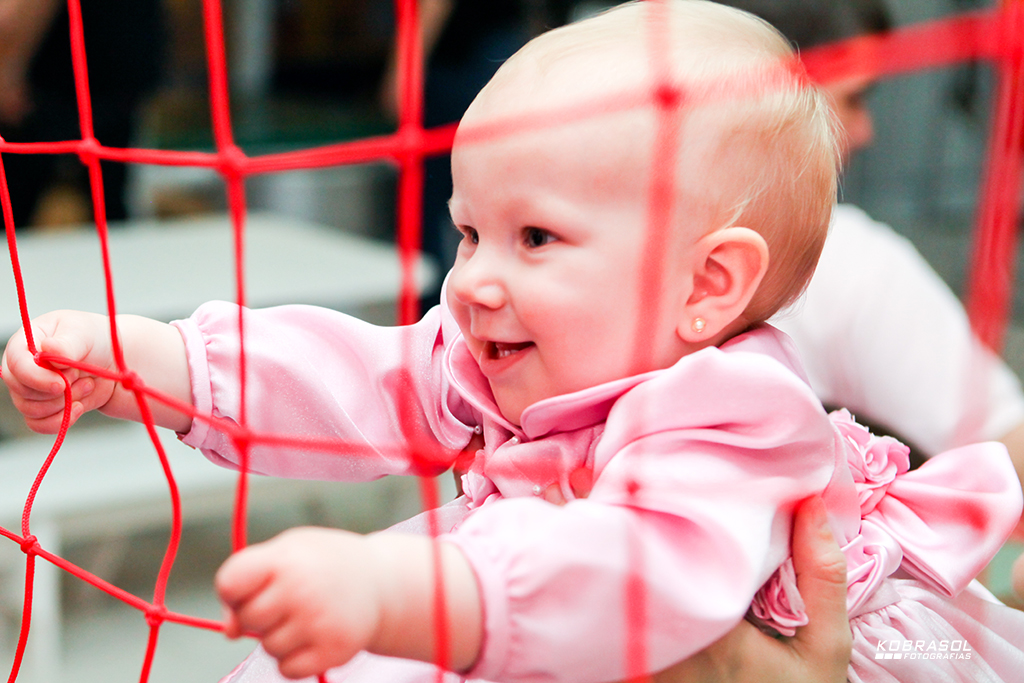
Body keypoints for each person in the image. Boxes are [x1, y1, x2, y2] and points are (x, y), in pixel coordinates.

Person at [4, 2, 1023, 682]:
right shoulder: (515, 359)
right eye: (469, 232)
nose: (474, 279)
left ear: (708, 284)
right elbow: (359, 376)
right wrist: (151, 362)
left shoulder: (736, 415)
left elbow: (629, 573)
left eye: (536, 238)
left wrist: (394, 591)